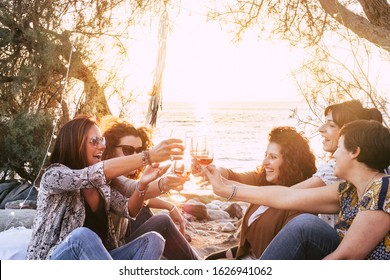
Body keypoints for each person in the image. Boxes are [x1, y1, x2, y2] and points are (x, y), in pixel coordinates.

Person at [204, 120, 390, 259]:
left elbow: (345, 258)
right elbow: (288, 196)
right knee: (306, 223)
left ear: (354, 152)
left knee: (305, 225)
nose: (333, 154)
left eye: (339, 147)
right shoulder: (347, 190)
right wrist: (226, 188)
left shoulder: (384, 189)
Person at [26, 115, 185, 260]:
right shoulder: (54, 176)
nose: (101, 146)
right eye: (94, 141)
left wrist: (143, 184)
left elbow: (129, 210)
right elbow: (95, 173)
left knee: (153, 240)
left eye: (102, 140)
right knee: (83, 236)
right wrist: (148, 156)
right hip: (55, 261)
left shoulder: (101, 186)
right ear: (75, 144)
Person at [203, 126, 317, 259]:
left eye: (273, 157)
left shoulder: (299, 202)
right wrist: (209, 170)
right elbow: (231, 176)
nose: (265, 162)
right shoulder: (263, 180)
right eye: (265, 155)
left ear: (291, 162)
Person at [101, 118, 199, 260]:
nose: (135, 156)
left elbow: (138, 192)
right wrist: (164, 183)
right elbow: (132, 188)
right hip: (107, 254)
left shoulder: (122, 178)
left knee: (153, 215)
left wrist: (170, 205)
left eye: (140, 151)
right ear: (110, 151)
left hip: (120, 242)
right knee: (160, 220)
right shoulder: (103, 174)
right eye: (128, 150)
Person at [288, 99, 383, 227]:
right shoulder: (372, 171)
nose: (321, 129)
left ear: (349, 132)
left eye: (331, 125)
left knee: (303, 223)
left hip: (335, 240)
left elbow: (288, 196)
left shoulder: (335, 169)